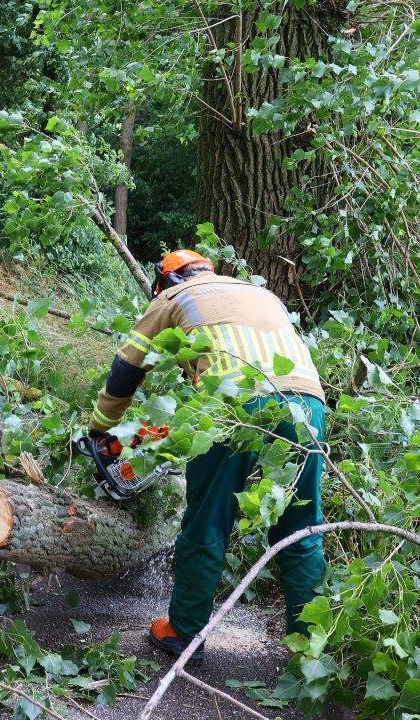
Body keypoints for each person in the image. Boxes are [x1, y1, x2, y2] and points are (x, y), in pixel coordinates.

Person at [88, 248, 327, 665]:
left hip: (233, 403)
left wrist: (102, 425)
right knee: (301, 527)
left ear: (164, 281)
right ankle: (307, 649)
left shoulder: (172, 298)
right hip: (308, 406)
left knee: (208, 520)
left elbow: (127, 367)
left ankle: (185, 631)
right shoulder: (260, 295)